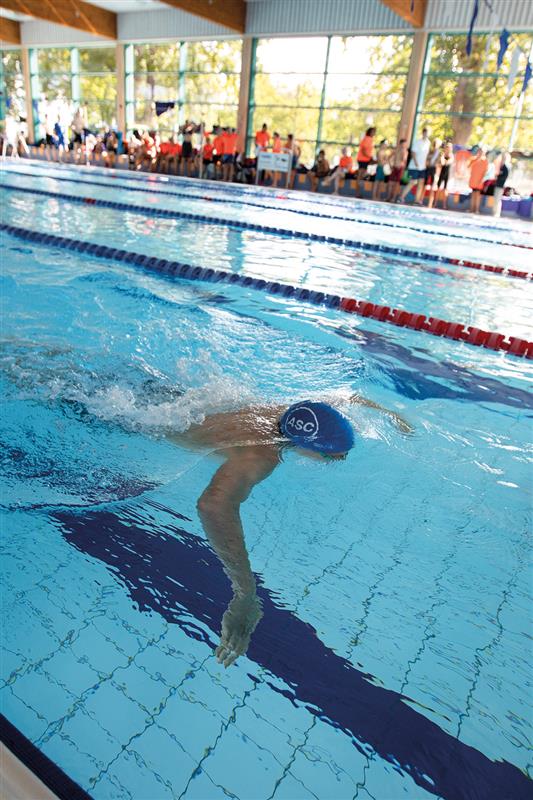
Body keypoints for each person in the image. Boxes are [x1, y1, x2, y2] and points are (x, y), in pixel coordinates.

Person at [168, 396, 412, 667]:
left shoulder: (289, 412)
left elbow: (349, 397)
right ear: (306, 446)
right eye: (330, 457)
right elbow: (212, 505)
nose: (340, 459)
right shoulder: (260, 456)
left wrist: (392, 414)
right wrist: (245, 593)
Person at [399, 127, 430, 204]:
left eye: (428, 133)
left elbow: (426, 155)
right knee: (413, 182)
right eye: (425, 132)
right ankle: (401, 198)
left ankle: (416, 200)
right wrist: (416, 163)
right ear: (423, 133)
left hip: (422, 167)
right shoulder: (417, 142)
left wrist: (425, 163)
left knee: (421, 183)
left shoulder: (428, 143)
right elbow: (413, 153)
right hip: (414, 166)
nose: (426, 134)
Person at [386, 138, 408, 203]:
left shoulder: (405, 152)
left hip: (400, 168)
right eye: (403, 144)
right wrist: (390, 165)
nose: (403, 146)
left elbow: (404, 161)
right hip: (394, 167)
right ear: (400, 144)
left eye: (405, 145)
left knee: (396, 184)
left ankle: (393, 198)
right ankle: (388, 197)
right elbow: (389, 157)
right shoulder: (396, 150)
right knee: (390, 183)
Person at [434, 141, 454, 209]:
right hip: (442, 173)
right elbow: (442, 163)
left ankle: (444, 205)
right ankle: (435, 203)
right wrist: (442, 157)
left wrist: (444, 160)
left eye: (449, 147)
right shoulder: (443, 154)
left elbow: (448, 162)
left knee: (445, 189)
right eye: (447, 147)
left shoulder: (451, 155)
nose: (448, 149)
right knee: (438, 188)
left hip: (447, 174)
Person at [356, 127, 376, 195]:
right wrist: (370, 157)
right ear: (369, 132)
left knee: (362, 175)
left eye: (374, 132)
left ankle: (358, 192)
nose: (374, 133)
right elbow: (363, 150)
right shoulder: (367, 139)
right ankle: (358, 192)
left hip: (365, 159)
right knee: (360, 175)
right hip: (362, 159)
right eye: (373, 132)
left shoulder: (369, 139)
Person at [468, 146, 488, 214]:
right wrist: (476, 160)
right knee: (473, 194)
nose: (480, 153)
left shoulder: (485, 161)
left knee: (477, 195)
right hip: (473, 180)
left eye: (482, 152)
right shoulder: (473, 159)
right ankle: (471, 209)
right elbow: (469, 166)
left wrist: (482, 180)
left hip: (480, 181)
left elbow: (485, 172)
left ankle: (476, 209)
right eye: (479, 151)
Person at [425, 138, 442, 208]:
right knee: (425, 184)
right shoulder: (430, 151)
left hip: (434, 169)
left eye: (437, 143)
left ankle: (430, 203)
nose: (435, 145)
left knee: (433, 186)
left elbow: (440, 162)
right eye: (434, 143)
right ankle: (419, 200)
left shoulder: (440, 153)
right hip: (429, 168)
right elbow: (427, 159)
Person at [493, 151, 511, 217]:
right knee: (496, 199)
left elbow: (504, 176)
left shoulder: (505, 167)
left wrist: (498, 176)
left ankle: (497, 213)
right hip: (498, 185)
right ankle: (495, 212)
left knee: (498, 200)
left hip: (500, 185)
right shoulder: (502, 166)